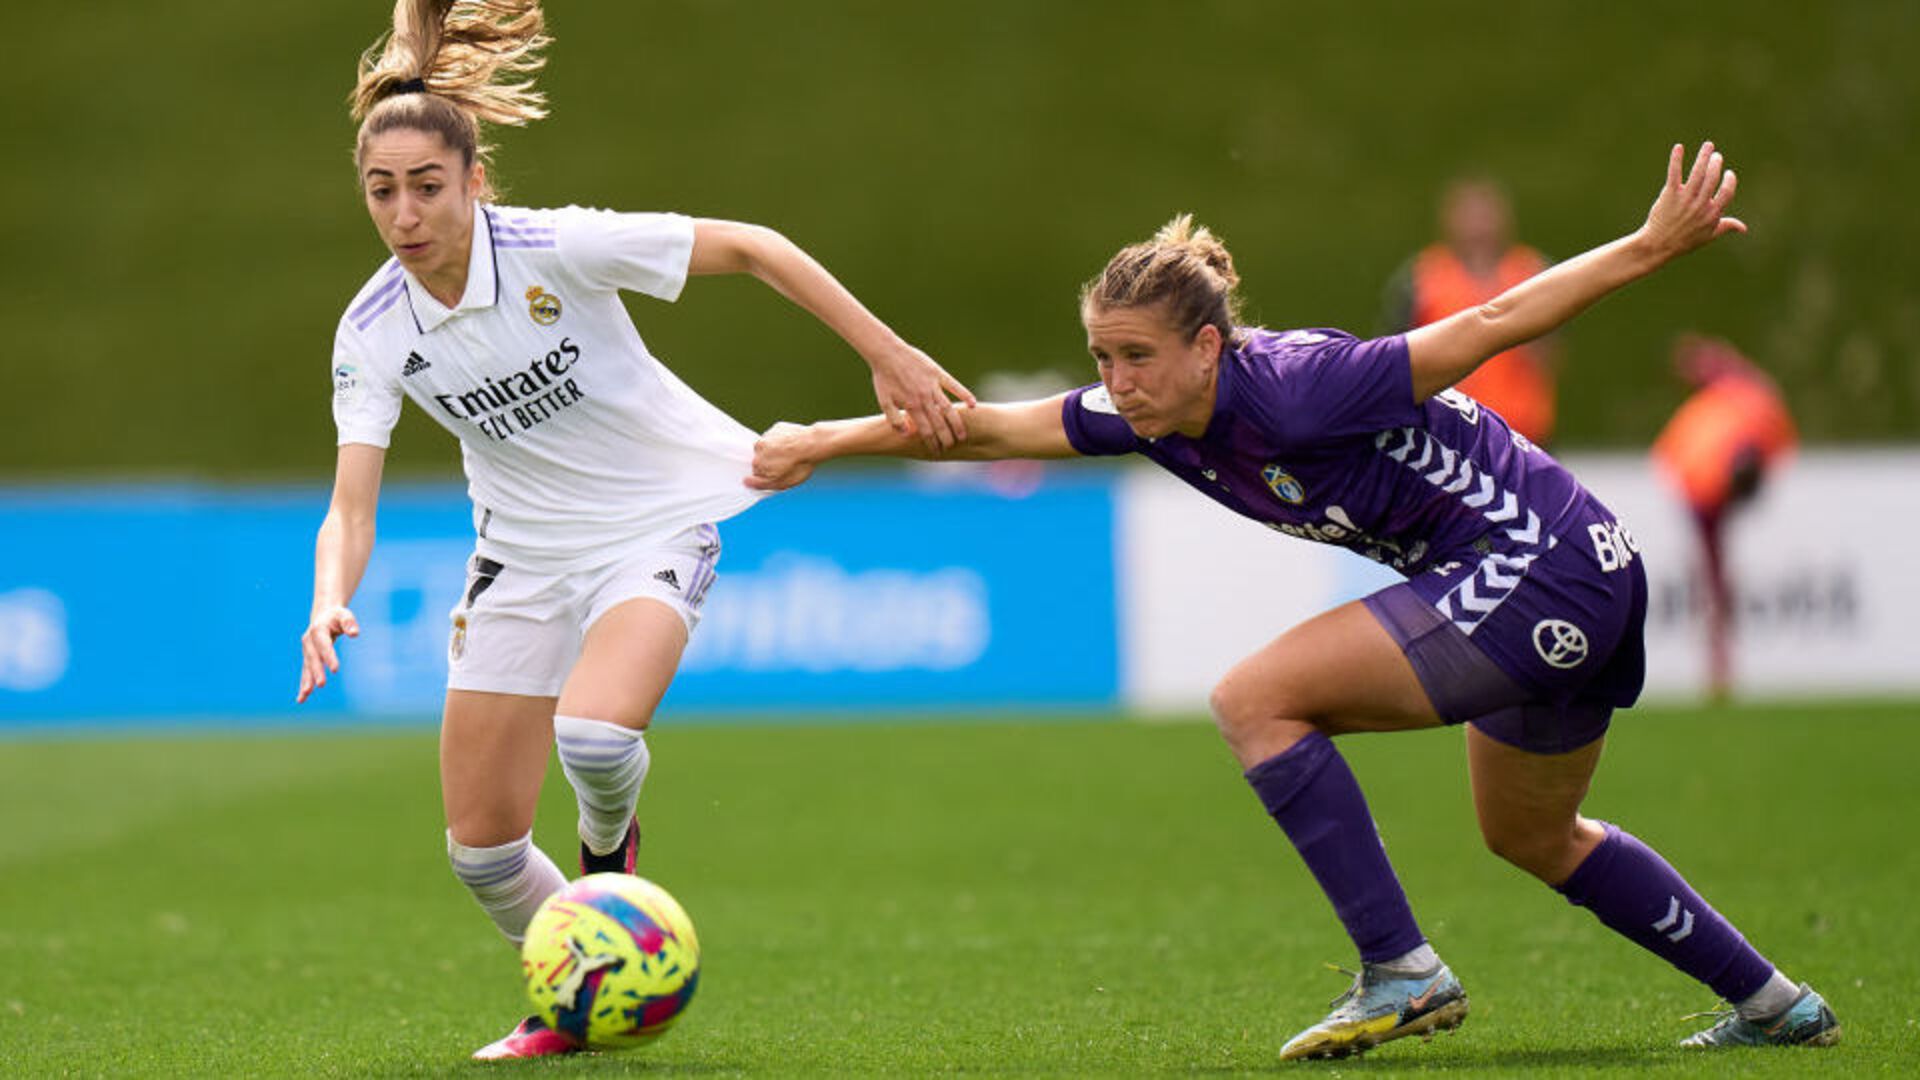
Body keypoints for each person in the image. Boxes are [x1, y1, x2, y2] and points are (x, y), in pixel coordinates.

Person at [749, 144, 1839, 1059]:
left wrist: (1650, 246)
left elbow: (1492, 319)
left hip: (1541, 563)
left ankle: (1400, 971)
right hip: (1576, 569)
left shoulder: (1299, 387)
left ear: (1209, 347)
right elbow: (986, 425)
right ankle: (1776, 1003)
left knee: (1255, 700)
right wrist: (819, 442)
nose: (1115, 384)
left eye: (1135, 358)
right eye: (1101, 358)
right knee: (1534, 834)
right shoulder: (1148, 413)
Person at [293, 0, 973, 1061]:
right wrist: (330, 596)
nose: (404, 212)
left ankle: (609, 860)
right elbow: (352, 502)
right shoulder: (373, 330)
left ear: (474, 180)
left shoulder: (558, 246)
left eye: (427, 186)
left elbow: (753, 246)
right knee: (480, 857)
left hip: (659, 518)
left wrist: (885, 352)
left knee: (597, 735)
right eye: (382, 191)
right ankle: (583, 989)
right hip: (520, 558)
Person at [1651, 335, 1798, 699]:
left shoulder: (1760, 417)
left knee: (1715, 574)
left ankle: (1719, 661)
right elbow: (1733, 372)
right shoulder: (1759, 415)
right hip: (1688, 470)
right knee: (1713, 573)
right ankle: (1719, 660)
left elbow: (1730, 371)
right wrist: (1703, 360)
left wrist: (1702, 361)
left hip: (1690, 469)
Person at [1381, 177, 1559, 446]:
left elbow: (1551, 354)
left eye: (1486, 216)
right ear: (1449, 221)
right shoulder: (1421, 279)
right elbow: (1397, 361)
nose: (1479, 227)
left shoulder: (1532, 272)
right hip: (1447, 435)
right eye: (1470, 217)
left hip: (1525, 435)